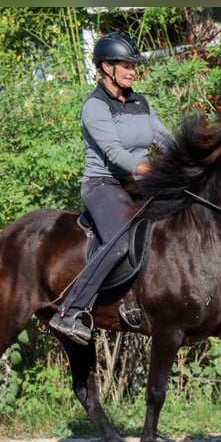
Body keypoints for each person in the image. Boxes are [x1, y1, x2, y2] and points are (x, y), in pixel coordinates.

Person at [49, 31, 173, 345]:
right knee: (118, 241)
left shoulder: (139, 102)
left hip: (139, 186)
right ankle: (70, 312)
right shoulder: (94, 107)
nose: (133, 71)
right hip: (103, 185)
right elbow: (115, 153)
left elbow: (164, 140)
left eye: (134, 65)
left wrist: (191, 162)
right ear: (107, 68)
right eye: (127, 65)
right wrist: (149, 168)